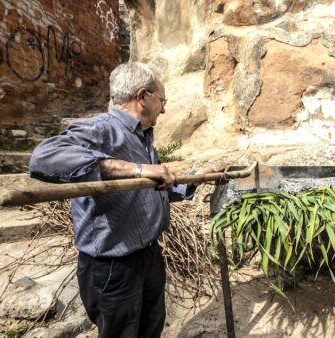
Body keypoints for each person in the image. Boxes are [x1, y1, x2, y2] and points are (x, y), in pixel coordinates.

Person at [29, 62, 218, 338]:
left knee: (150, 329)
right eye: (162, 101)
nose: (163, 109)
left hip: (149, 256)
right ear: (142, 97)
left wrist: (195, 179)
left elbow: (150, 189)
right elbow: (42, 159)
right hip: (113, 267)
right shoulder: (101, 129)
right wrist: (136, 168)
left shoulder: (142, 135)